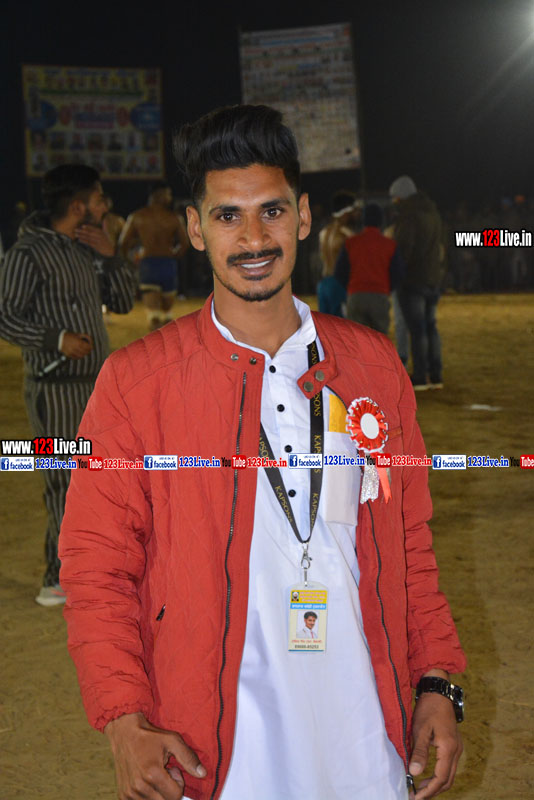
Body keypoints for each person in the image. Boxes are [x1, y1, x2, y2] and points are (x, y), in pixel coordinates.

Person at [60, 106, 466, 800]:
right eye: (228, 216)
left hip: (363, 734)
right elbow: (96, 564)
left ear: (303, 217)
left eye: (272, 211)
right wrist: (124, 719)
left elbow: (411, 542)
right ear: (195, 229)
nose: (253, 238)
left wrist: (436, 680)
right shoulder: (136, 383)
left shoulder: (373, 366)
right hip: (217, 750)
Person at [0, 164, 135, 606]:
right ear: (78, 206)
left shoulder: (88, 248)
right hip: (53, 388)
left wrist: (111, 255)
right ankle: (56, 578)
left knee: (100, 480)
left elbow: (122, 302)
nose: (105, 206)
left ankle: (90, 568)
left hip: (97, 388)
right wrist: (56, 339)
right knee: (64, 480)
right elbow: (5, 317)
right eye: (99, 199)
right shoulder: (27, 253)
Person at [389, 176, 446, 390]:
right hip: (433, 278)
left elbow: (404, 249)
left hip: (413, 279)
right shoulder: (433, 213)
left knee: (417, 329)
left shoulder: (409, 216)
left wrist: (397, 273)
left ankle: (421, 376)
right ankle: (436, 374)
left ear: (402, 197)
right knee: (431, 326)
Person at [119, 182, 190, 330]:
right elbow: (184, 244)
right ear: (159, 195)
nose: (170, 197)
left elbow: (123, 243)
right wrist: (173, 256)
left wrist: (129, 262)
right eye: (168, 194)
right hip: (168, 264)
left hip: (148, 264)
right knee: (167, 314)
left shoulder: (137, 216)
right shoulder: (174, 218)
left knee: (154, 316)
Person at [334, 203, 404, 333]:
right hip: (379, 295)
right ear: (381, 221)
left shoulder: (351, 243)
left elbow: (339, 272)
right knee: (379, 339)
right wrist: (387, 288)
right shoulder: (390, 245)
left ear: (363, 221)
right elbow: (398, 273)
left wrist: (351, 287)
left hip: (356, 295)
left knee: (357, 339)